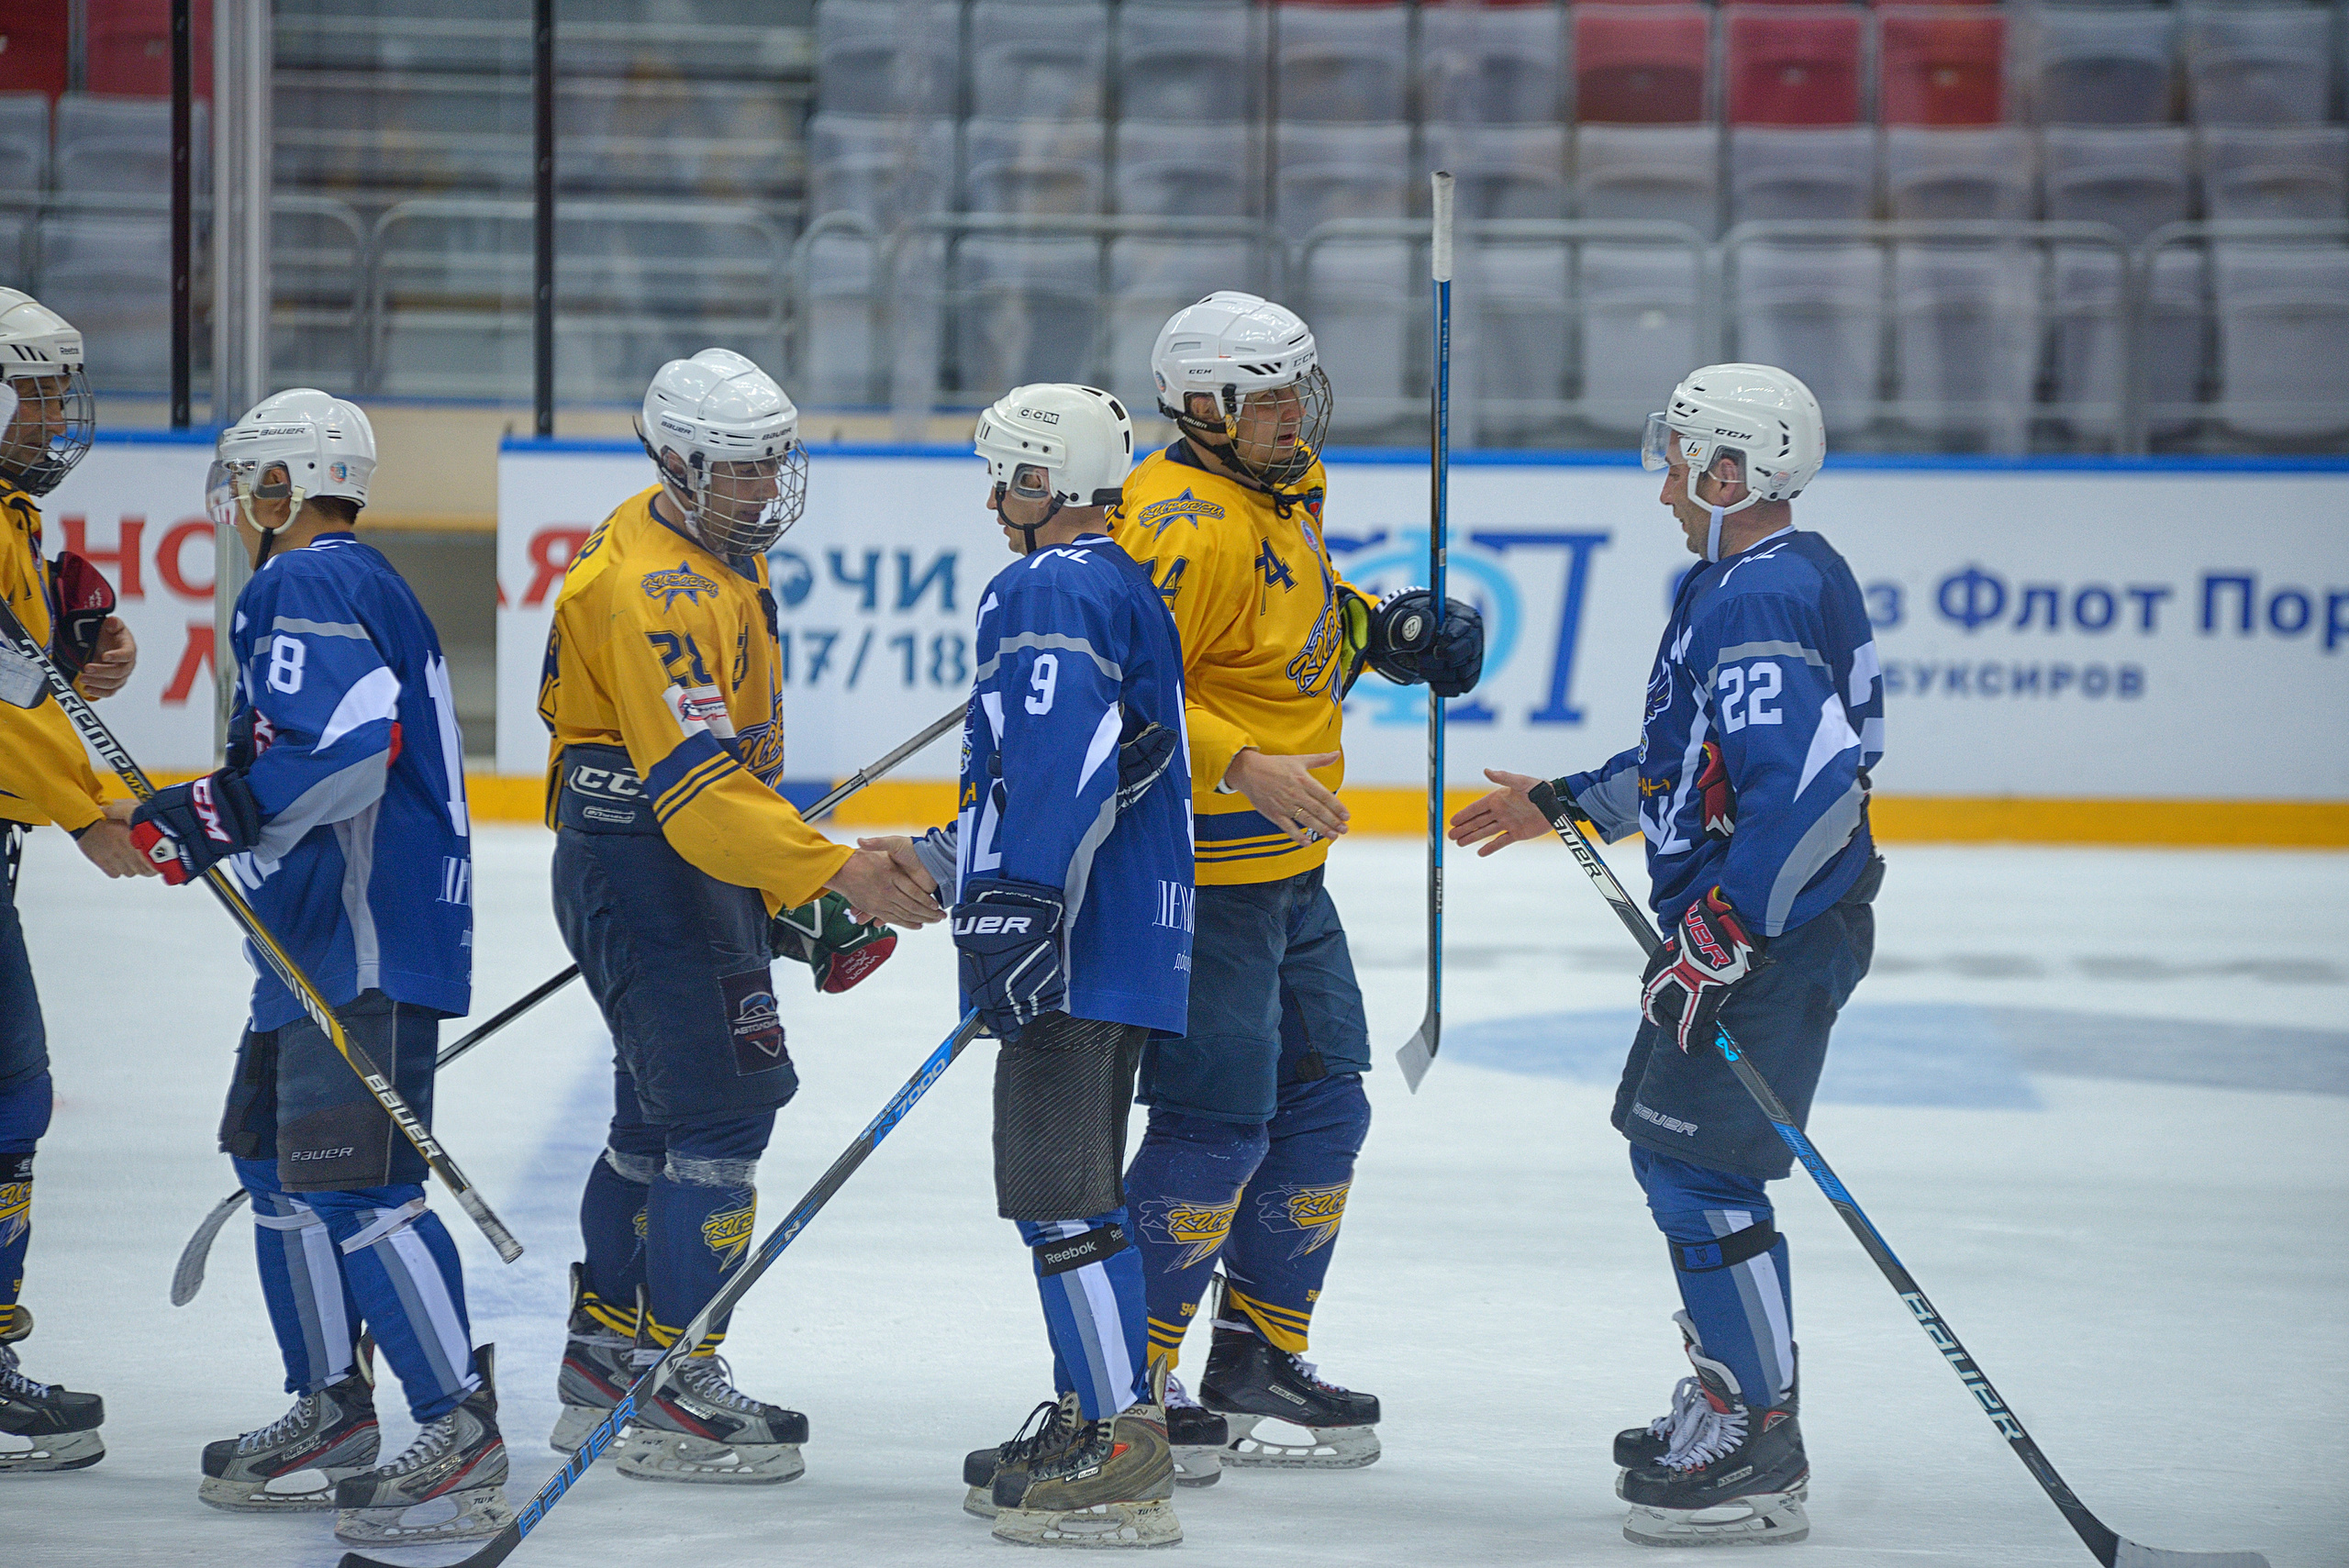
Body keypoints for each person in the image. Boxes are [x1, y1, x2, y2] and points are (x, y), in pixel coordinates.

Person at [1448, 363, 1884, 1549]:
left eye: (1681, 463)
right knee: (1678, 1157)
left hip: (1770, 932)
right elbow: (1693, 759)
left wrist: (1726, 929)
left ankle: (1757, 1436)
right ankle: (1737, 1392)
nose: (1664, 489)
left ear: (1730, 472)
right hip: (1760, 923)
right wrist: (1569, 799)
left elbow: (1813, 788)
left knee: (1697, 1169)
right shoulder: (1756, 575)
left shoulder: (1755, 595)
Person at [539, 347, 942, 1485]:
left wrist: (776, 878)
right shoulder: (654, 588)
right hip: (653, 862)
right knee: (723, 1111)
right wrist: (824, 873)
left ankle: (605, 1361)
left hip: (663, 858)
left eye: (773, 463)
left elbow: (716, 781)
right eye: (740, 469)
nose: (765, 489)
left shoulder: (701, 545)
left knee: (658, 1115)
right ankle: (676, 1380)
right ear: (676, 462)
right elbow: (698, 789)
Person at [112, 389, 507, 1546]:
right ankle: (334, 1408)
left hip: (359, 935)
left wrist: (212, 810)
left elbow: (347, 751)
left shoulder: (304, 582)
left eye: (252, 481)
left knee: (357, 1187)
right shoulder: (352, 580)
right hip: (320, 936)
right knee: (270, 1159)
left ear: (282, 485)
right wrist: (221, 811)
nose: (242, 503)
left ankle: (460, 1427)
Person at [1109, 292, 1483, 1469]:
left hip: (1289, 874)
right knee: (1216, 1126)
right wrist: (1240, 760)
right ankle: (1129, 1380)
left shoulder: (1283, 489)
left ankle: (1255, 1357)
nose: (1291, 415)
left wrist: (1389, 633)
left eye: (1294, 391)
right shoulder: (1177, 524)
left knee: (1325, 1105)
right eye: (1264, 397)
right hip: (1203, 877)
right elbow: (1120, 688)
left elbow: (1293, 625)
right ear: (1201, 405)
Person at [863, 384, 1196, 1546]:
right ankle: (1095, 1417)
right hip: (1113, 931)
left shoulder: (1046, 584)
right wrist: (946, 860)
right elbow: (1085, 768)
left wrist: (1020, 905)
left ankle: (1120, 1445)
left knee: (1062, 1200)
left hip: (1075, 939)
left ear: (1044, 481)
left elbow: (1067, 764)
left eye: (1006, 476)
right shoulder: (1115, 582)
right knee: (1073, 1197)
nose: (994, 498)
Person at [0, 289, 148, 1477]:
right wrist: (86, 805)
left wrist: (75, 635)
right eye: (38, 395)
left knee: (13, 1098)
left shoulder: (14, 520)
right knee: (10, 1093)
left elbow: (24, 673)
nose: (57, 418)